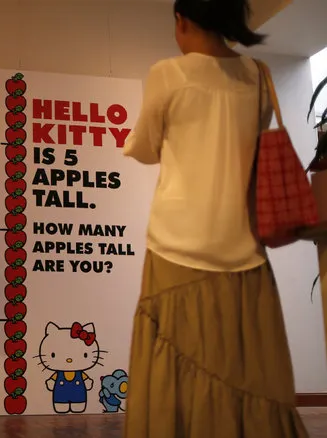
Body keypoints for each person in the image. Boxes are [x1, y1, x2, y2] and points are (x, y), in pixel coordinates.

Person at [122, 0, 308, 437]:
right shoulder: (257, 75)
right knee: (248, 369)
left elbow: (146, 147)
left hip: (176, 245)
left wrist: (133, 142)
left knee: (175, 365)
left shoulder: (169, 72)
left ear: (181, 21)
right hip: (244, 248)